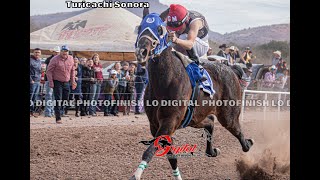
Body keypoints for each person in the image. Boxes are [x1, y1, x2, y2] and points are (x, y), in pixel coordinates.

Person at [46, 45, 76, 124]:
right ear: (60, 52)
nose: (64, 52)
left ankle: (60, 111)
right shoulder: (54, 59)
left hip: (66, 82)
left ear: (68, 52)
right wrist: (51, 82)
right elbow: (49, 71)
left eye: (66, 51)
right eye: (63, 51)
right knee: (58, 99)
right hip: (57, 81)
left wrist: (73, 81)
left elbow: (72, 70)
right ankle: (58, 117)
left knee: (66, 98)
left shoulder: (70, 58)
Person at [44, 46, 60, 117]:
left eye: (57, 52)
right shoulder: (48, 59)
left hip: (56, 80)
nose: (56, 53)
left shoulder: (59, 59)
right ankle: (48, 112)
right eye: (55, 52)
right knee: (49, 95)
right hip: (49, 79)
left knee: (54, 96)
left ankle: (52, 111)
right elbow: (46, 70)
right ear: (53, 52)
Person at [30, 48, 42, 117]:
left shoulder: (39, 61)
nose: (37, 54)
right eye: (36, 52)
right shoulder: (30, 60)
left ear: (40, 54)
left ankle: (32, 111)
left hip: (38, 81)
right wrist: (31, 80)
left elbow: (39, 71)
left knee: (34, 97)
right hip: (32, 82)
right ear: (33, 53)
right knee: (30, 97)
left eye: (38, 52)